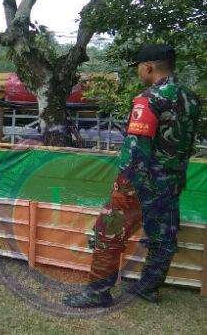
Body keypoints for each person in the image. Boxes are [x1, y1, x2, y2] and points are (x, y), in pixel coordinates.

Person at [64, 44, 201, 308]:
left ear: (148, 67)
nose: (139, 72)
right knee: (162, 235)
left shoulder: (148, 99)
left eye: (139, 67)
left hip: (141, 182)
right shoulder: (191, 99)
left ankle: (98, 293)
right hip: (172, 181)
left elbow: (136, 149)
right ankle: (148, 287)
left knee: (107, 231)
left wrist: (123, 187)